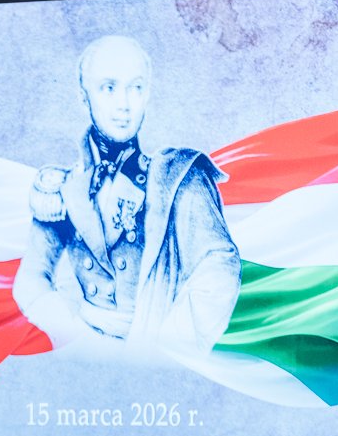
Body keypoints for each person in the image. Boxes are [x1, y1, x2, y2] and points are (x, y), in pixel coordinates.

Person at [12, 34, 240, 353]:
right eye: (109, 88)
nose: (124, 104)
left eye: (136, 88)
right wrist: (71, 333)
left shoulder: (180, 176)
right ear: (84, 97)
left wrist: (171, 345)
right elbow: (31, 279)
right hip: (87, 354)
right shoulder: (63, 188)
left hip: (157, 354)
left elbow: (219, 265)